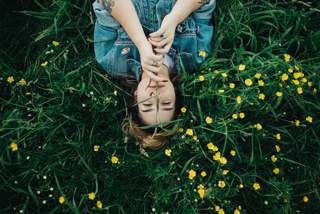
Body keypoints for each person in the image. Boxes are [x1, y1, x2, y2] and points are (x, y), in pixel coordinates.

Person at [92, 0, 216, 150]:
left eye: (147, 105)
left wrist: (141, 43)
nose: (156, 95)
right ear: (176, 95)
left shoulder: (113, 61)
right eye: (166, 104)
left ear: (136, 96)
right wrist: (174, 18)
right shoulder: (195, 54)